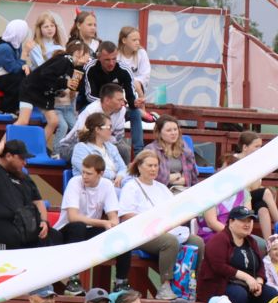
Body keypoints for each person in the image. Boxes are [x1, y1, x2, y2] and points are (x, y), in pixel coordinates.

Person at [115, 148, 189, 284]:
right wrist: (150, 222)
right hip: (140, 233)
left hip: (165, 229)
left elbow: (174, 211)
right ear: (139, 166)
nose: (153, 169)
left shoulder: (162, 187)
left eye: (156, 166)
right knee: (170, 241)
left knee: (197, 242)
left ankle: (189, 285)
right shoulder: (131, 187)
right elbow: (125, 215)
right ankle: (166, 286)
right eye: (150, 165)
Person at [0, 138, 49, 249]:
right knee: (9, 235)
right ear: (8, 156)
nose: (25, 162)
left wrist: (43, 221)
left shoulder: (25, 178)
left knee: (52, 236)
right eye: (22, 158)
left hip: (22, 224)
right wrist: (0, 147)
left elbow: (38, 202)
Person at [200, 206, 273, 303]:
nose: (247, 224)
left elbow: (260, 266)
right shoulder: (218, 240)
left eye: (250, 221)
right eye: (243, 220)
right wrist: (247, 278)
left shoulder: (251, 241)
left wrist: (259, 282)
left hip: (248, 286)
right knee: (238, 294)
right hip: (221, 285)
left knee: (272, 295)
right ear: (231, 222)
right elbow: (219, 267)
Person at [15, 36, 89, 146]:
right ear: (79, 52)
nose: (89, 58)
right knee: (23, 121)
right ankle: (2, 146)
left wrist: (79, 68)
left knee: (53, 121)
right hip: (31, 88)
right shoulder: (64, 60)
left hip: (44, 94)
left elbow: (75, 87)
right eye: (87, 54)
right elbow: (45, 74)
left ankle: (36, 148)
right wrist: (64, 83)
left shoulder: (74, 66)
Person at [77, 41, 143, 155]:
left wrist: (135, 103)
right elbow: (89, 96)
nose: (111, 63)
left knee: (135, 112)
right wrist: (109, 105)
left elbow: (131, 97)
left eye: (114, 59)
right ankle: (90, 146)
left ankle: (139, 152)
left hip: (115, 108)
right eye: (107, 60)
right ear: (99, 57)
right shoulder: (90, 68)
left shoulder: (124, 69)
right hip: (90, 107)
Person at [54, 153, 120, 248]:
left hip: (90, 229)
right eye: (83, 172)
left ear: (101, 174)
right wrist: (103, 223)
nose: (84, 176)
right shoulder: (74, 182)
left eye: (89, 173)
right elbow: (73, 217)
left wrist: (112, 225)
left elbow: (114, 218)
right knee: (78, 226)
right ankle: (76, 261)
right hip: (66, 230)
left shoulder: (107, 185)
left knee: (121, 235)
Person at [61, 82, 128, 161]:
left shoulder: (121, 110)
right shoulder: (91, 111)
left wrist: (105, 144)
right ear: (107, 100)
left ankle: (123, 172)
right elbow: (81, 136)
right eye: (119, 100)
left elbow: (118, 137)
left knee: (123, 150)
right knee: (95, 152)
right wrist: (101, 144)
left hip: (103, 143)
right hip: (71, 146)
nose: (123, 103)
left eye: (123, 100)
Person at [69, 113, 130, 188]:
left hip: (114, 185)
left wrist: (120, 176)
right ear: (97, 129)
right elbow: (92, 172)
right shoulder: (81, 148)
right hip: (92, 190)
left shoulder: (111, 147)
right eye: (109, 127)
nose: (111, 130)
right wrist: (114, 175)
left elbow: (123, 168)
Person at [0, 19, 30, 113]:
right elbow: (14, 69)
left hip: (5, 76)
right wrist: (24, 55)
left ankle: (19, 107)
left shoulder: (17, 45)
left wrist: (25, 66)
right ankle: (6, 109)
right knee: (18, 77)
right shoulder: (4, 48)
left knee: (27, 74)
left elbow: (18, 66)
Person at [150, 118, 201, 192]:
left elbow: (193, 176)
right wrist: (169, 178)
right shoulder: (151, 150)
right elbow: (148, 177)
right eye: (169, 130)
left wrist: (185, 179)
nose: (173, 133)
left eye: (175, 129)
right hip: (159, 192)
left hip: (182, 191)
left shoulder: (184, 149)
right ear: (159, 132)